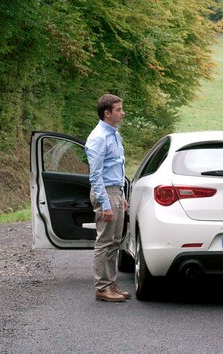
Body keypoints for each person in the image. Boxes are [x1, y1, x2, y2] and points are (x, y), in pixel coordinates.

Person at [85, 93, 131, 302]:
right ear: (107, 113)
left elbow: (116, 167)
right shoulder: (98, 137)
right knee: (104, 241)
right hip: (105, 191)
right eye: (119, 110)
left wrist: (121, 195)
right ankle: (102, 287)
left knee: (115, 241)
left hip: (115, 191)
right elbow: (95, 175)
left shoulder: (114, 134)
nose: (122, 113)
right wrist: (106, 203)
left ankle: (111, 284)